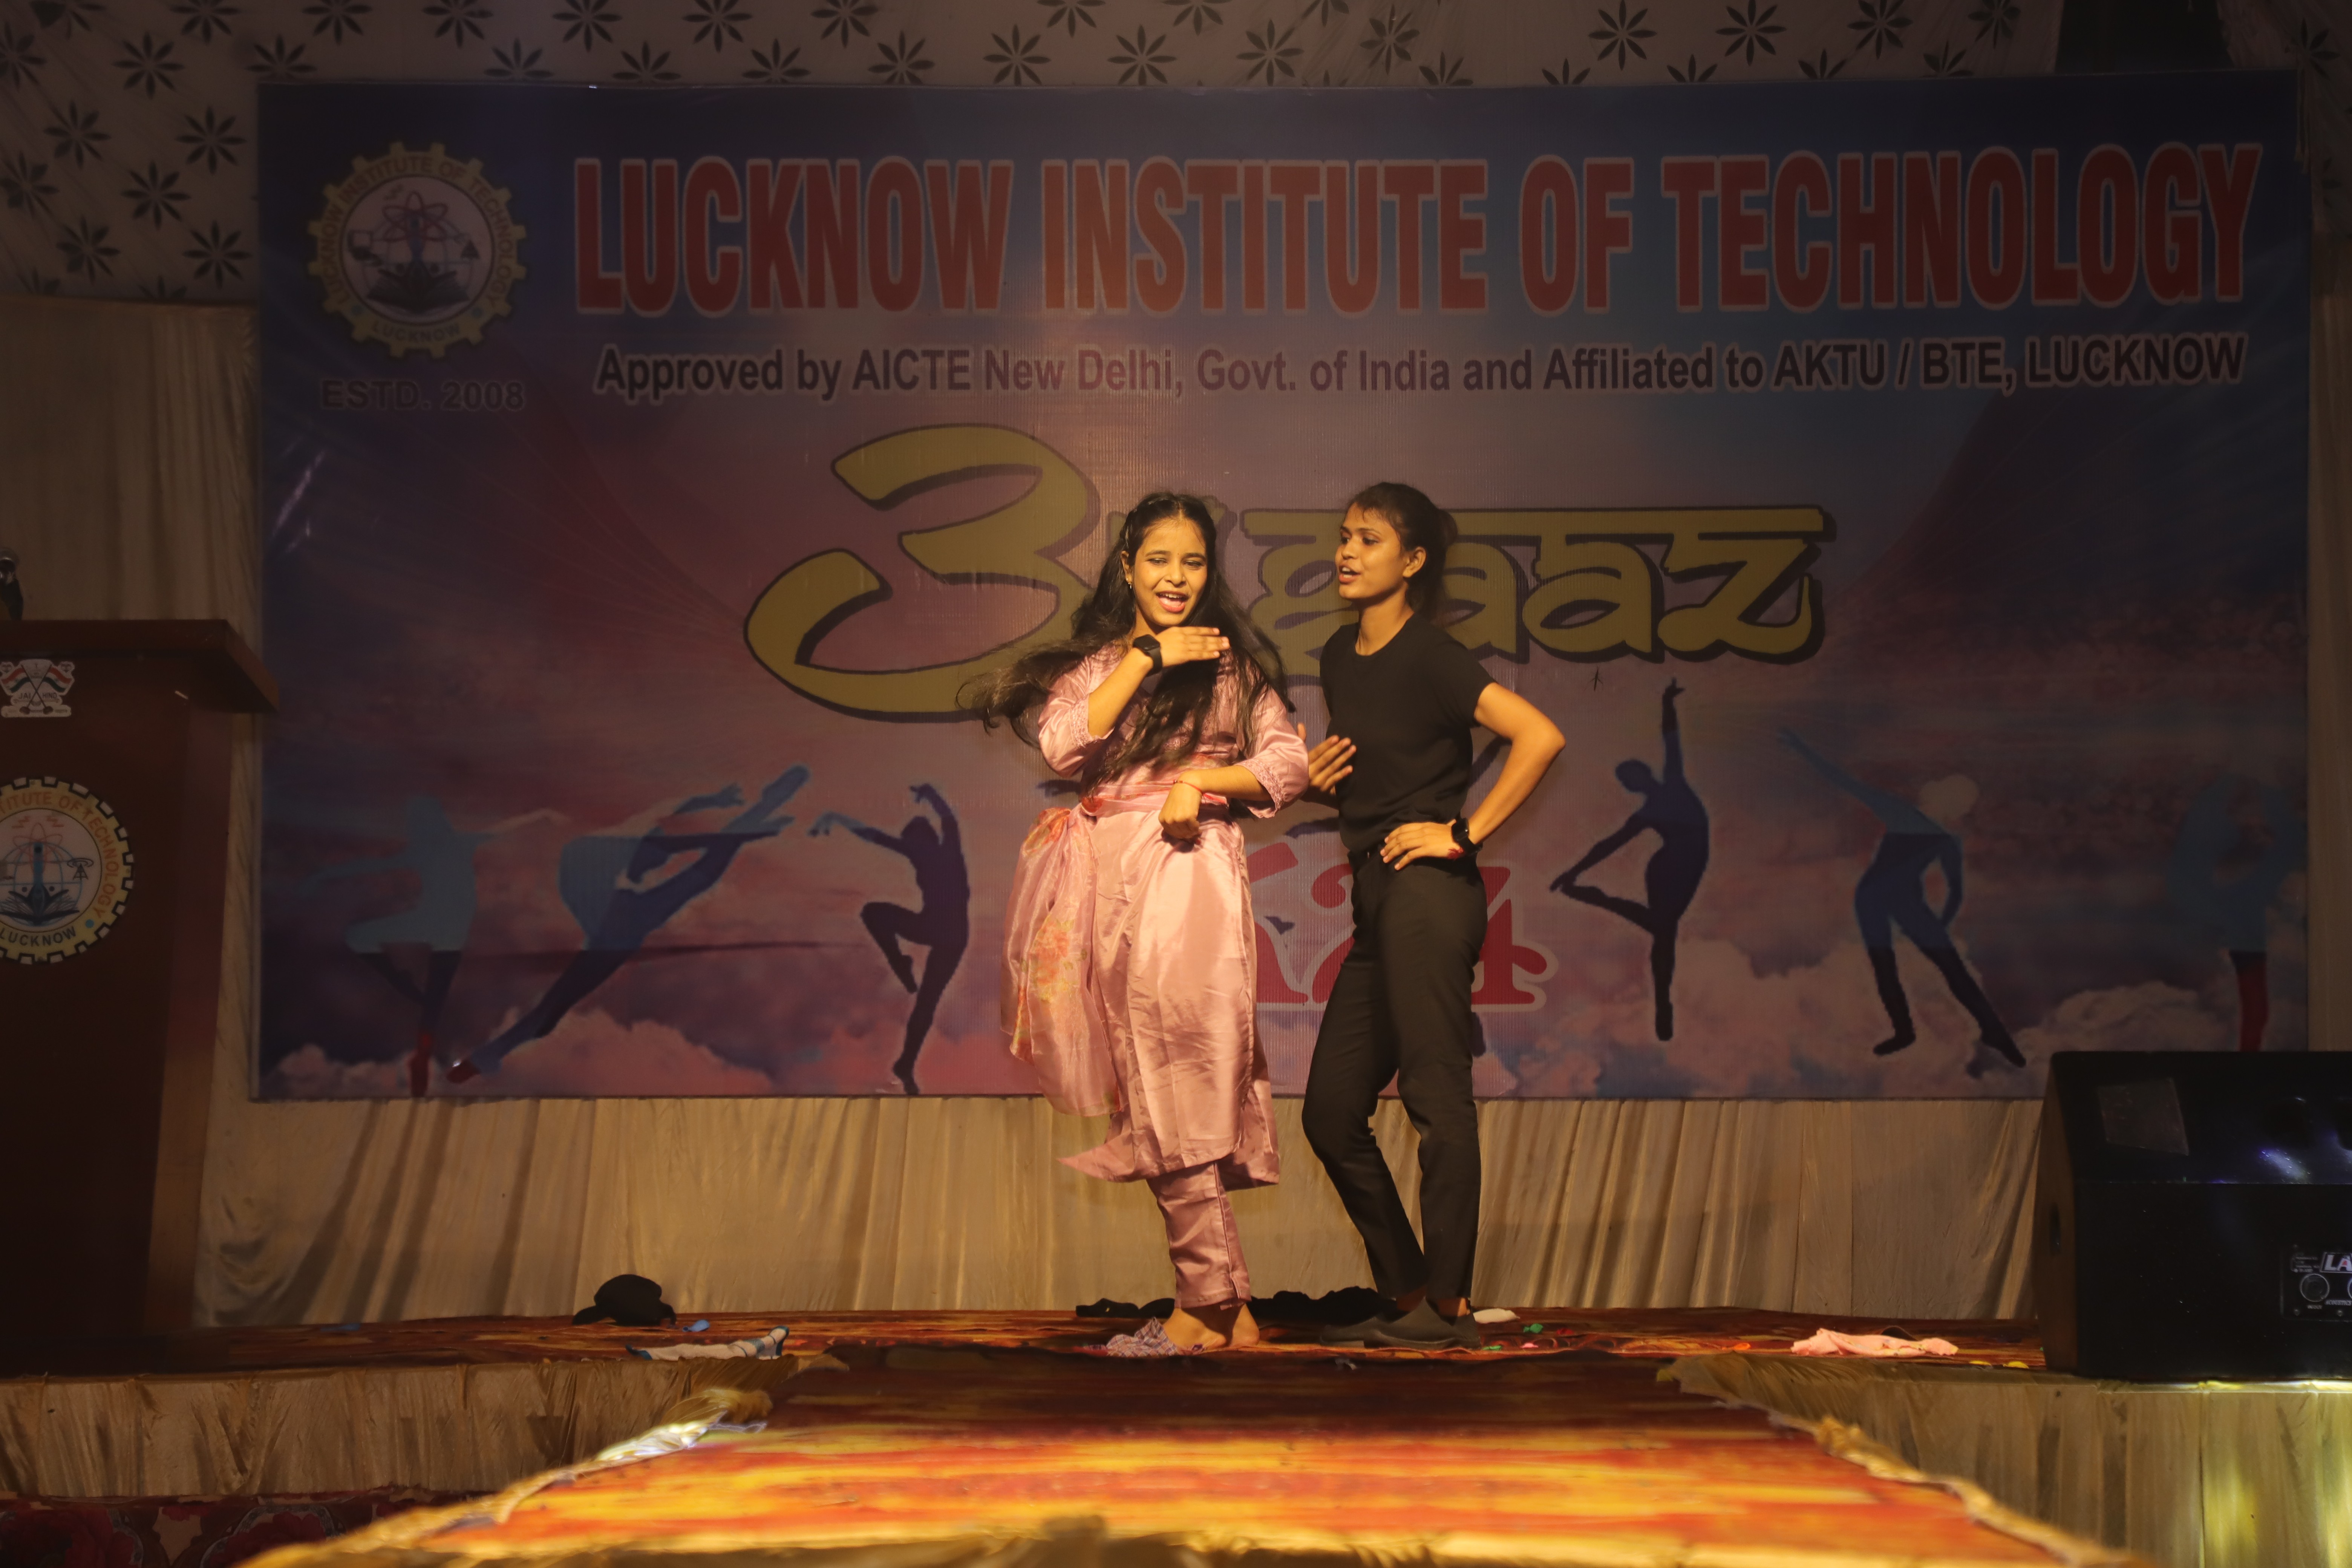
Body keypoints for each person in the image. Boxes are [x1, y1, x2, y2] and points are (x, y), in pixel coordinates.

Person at [969, 493, 1308, 1355]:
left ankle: (1209, 1307)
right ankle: (1224, 1310)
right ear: (1127, 567)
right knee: (1151, 1084)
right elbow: (1064, 745)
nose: (1176, 578)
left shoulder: (1230, 670)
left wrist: (1204, 785)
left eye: (1192, 562)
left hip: (1188, 881)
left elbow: (1286, 760)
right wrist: (1144, 656)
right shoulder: (1104, 665)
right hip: (1108, 885)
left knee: (1177, 1081)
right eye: (1159, 560)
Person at [1300, 482, 1565, 1349]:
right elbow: (1377, 761)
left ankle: (1446, 1307)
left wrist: (1462, 831)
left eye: (1368, 540)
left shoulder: (1434, 656)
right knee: (1330, 1110)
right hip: (1375, 908)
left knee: (1432, 1091)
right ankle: (1411, 1285)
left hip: (1428, 898)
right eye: (1343, 537)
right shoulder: (1340, 655)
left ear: (1410, 562)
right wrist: (1321, 777)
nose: (1346, 552)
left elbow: (1538, 735)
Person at [448, 768, 806, 1082]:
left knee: (707, 867)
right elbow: (692, 842)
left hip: (622, 921)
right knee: (548, 1015)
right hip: (613, 916)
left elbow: (690, 832)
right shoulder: (613, 854)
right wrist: (746, 830)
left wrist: (730, 807)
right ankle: (483, 1059)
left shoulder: (634, 864)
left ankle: (485, 1058)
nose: (656, 860)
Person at [1779, 731, 2022, 1069]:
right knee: (1910, 967)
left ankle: (1975, 1031)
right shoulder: (1935, 833)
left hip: (1884, 899)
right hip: (1879, 900)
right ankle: (1915, 1031)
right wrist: (1942, 924)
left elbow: (1842, 780)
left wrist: (1801, 747)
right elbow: (1956, 891)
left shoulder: (1927, 828)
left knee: (1918, 967)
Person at [301, 797, 553, 1096]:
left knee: (363, 939)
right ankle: (409, 1002)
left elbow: (374, 864)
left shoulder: (432, 849)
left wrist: (539, 814)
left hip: (438, 927)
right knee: (426, 994)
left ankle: (411, 1016)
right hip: (443, 928)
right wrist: (540, 813)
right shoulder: (448, 845)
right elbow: (500, 830)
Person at [1552, 680, 1709, 1041]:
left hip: (1688, 861)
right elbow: (1608, 845)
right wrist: (1574, 869)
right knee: (1663, 932)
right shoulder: (1649, 812)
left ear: (1644, 775)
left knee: (1661, 928)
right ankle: (1663, 1004)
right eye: (1626, 782)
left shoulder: (1673, 784)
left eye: (1631, 777)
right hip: (1668, 866)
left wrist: (1668, 702)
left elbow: (1672, 740)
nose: (1630, 784)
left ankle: (1597, 898)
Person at [809, 785, 970, 1094]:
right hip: (944, 930)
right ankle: (906, 1061)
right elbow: (877, 837)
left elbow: (946, 818)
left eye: (913, 845)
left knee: (926, 1000)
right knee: (875, 915)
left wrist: (931, 794)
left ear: (922, 840)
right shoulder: (927, 852)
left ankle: (906, 1062)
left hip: (948, 934)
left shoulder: (946, 849)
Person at [2167, 776, 2304, 1052]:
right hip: (2237, 940)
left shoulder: (2252, 868)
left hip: (2247, 942)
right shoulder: (2232, 866)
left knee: (2252, 1007)